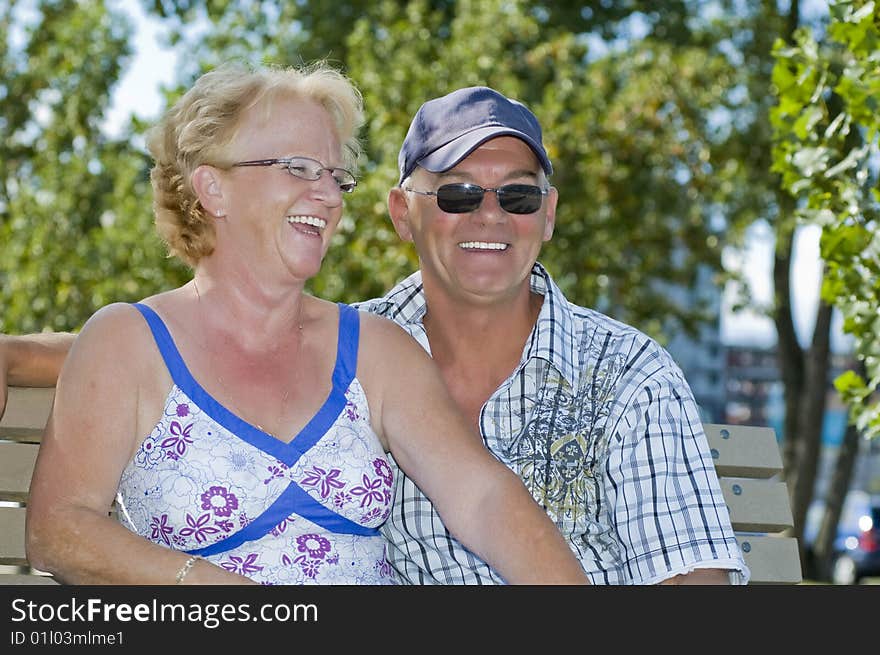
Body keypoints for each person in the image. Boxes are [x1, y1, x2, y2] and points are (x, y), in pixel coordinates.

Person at [1, 83, 747, 585]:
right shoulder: (127, 342)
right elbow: (57, 529)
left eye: (334, 175)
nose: (326, 194)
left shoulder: (376, 349)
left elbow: (484, 500)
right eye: (297, 167)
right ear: (211, 186)